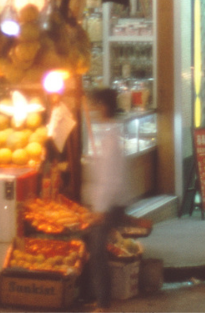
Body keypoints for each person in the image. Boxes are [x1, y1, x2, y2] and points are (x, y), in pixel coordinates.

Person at [82, 88, 132, 311]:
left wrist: (100, 208)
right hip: (107, 201)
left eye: (95, 105)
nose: (92, 109)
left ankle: (103, 303)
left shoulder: (110, 136)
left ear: (103, 106)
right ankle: (99, 298)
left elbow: (108, 176)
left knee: (98, 252)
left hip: (109, 203)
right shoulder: (107, 132)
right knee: (96, 249)